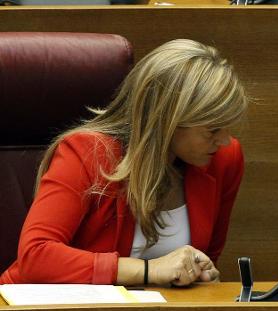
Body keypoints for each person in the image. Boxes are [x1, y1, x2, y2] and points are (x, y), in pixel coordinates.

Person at [0, 39, 248, 287]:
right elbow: (36, 257)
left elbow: (208, 256)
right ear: (167, 121)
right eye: (213, 130)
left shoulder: (224, 159)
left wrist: (201, 272)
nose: (225, 140)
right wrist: (149, 270)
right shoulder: (87, 152)